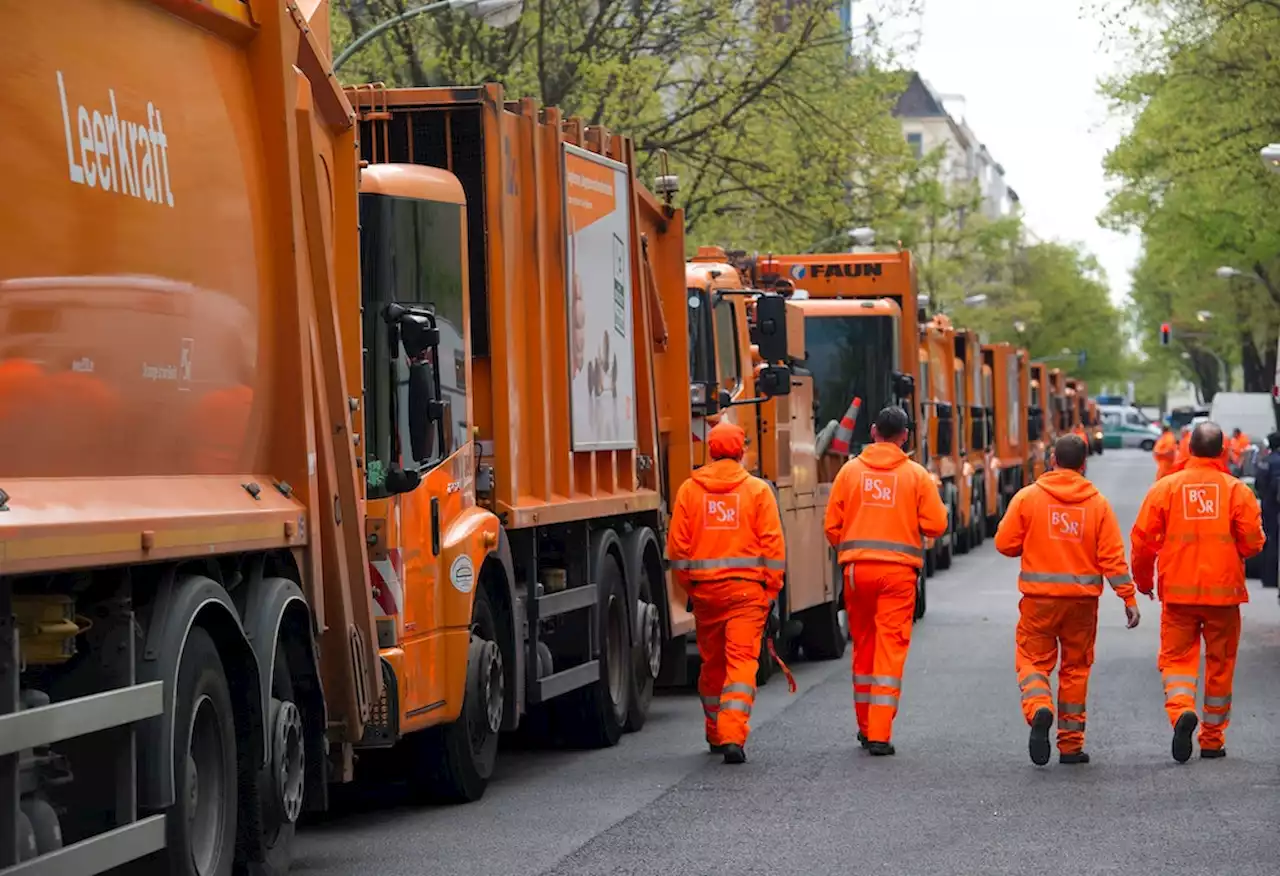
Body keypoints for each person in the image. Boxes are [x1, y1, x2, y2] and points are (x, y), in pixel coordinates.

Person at [994, 434, 1140, 767]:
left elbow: (1004, 543)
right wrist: (1128, 598)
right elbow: (1112, 558)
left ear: (1052, 460)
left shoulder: (1028, 498)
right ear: (1084, 464)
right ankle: (1071, 746)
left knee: (1032, 661)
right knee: (1076, 670)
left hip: (1038, 602)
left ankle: (1039, 706)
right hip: (1082, 605)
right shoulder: (1097, 504)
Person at [1130, 422, 1266, 763]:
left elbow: (1143, 542)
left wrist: (1143, 581)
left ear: (1189, 449)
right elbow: (1253, 543)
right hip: (1224, 595)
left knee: (1177, 660)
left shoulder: (1166, 488)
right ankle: (1212, 739)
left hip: (1178, 594)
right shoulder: (1237, 491)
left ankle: (1181, 712)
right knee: (1220, 665)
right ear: (1223, 451)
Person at [824, 405, 948, 756]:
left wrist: (853, 549)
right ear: (905, 435)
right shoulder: (916, 476)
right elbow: (937, 525)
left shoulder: (849, 473)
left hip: (856, 573)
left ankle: (865, 727)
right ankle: (879, 732)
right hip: (897, 575)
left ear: (874, 430)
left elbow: (832, 526)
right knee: (889, 651)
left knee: (863, 645)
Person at [667, 420, 785, 765]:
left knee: (713, 663)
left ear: (711, 450)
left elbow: (677, 550)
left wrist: (692, 587)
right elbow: (773, 547)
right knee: (742, 663)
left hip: (705, 595)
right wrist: (771, 591)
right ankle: (732, 734)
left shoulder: (690, 490)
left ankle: (715, 730)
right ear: (742, 451)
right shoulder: (757, 491)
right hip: (748, 595)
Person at [1253, 432, 1280, 592]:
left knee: (1269, 540)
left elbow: (1258, 484)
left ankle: (1269, 578)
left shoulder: (1265, 462)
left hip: (1270, 505)